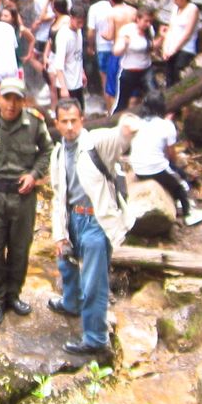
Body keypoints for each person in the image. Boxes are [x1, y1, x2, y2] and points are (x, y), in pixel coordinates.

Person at [49, 102, 136, 359]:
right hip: (72, 218)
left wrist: (128, 128)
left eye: (74, 120)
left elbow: (118, 138)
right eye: (64, 121)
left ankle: (95, 338)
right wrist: (59, 232)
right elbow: (58, 195)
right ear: (56, 124)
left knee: (93, 282)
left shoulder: (96, 142)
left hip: (96, 222)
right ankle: (70, 302)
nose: (69, 126)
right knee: (66, 263)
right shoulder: (58, 153)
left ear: (82, 120)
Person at [0, 78, 52, 326]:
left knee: (20, 248)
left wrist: (34, 175)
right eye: (7, 98)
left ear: (23, 101)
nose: (11, 104)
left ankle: (13, 295)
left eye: (17, 99)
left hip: (23, 197)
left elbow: (47, 150)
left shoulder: (34, 122)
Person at [129, 90, 202, 226]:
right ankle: (188, 213)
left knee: (176, 173)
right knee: (181, 182)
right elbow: (171, 154)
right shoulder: (166, 125)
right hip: (154, 168)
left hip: (138, 168)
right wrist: (174, 165)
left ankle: (177, 199)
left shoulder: (137, 123)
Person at [114, 7, 157, 114]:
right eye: (146, 21)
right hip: (129, 71)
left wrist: (162, 38)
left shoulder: (150, 30)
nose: (148, 24)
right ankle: (113, 124)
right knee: (123, 103)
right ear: (138, 19)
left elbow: (151, 47)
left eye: (150, 21)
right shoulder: (127, 30)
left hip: (146, 70)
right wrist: (125, 44)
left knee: (154, 95)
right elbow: (116, 51)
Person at [158, 0, 202, 87]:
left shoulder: (192, 9)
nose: (175, 1)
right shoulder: (175, 8)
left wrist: (174, 50)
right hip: (172, 46)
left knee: (177, 73)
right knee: (168, 74)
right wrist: (165, 49)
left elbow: (187, 33)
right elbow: (170, 28)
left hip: (185, 47)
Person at [49, 0, 87, 111]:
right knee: (68, 113)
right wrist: (63, 88)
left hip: (77, 82)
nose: (80, 25)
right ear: (71, 18)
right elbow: (58, 65)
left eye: (82, 22)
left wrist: (83, 72)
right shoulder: (64, 36)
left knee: (80, 112)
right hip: (67, 84)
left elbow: (78, 55)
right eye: (78, 22)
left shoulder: (79, 31)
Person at [88, 0, 119, 112]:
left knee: (105, 81)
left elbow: (91, 32)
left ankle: (110, 111)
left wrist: (90, 47)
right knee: (118, 78)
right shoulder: (117, 7)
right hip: (118, 47)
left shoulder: (94, 8)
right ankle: (119, 107)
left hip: (103, 48)